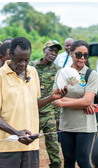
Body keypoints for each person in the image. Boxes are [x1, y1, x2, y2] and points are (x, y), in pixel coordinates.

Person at [0, 36, 67, 168]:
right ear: (10, 55)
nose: (23, 64)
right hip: (6, 147)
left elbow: (33, 105)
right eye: (19, 60)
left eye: (27, 60)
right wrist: (16, 133)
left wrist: (51, 98)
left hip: (30, 144)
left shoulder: (33, 72)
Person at [53, 40, 98, 168]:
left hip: (85, 125)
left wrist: (64, 101)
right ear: (71, 53)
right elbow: (55, 100)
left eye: (85, 55)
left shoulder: (90, 74)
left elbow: (87, 101)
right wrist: (82, 102)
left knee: (83, 161)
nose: (82, 58)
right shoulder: (62, 74)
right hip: (66, 124)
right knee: (68, 161)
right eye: (79, 54)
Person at [29, 40, 62, 168]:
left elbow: (59, 93)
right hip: (33, 113)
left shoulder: (58, 70)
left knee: (53, 146)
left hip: (49, 113)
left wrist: (58, 116)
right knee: (30, 145)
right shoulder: (32, 66)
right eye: (51, 50)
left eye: (56, 51)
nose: (53, 53)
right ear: (44, 50)